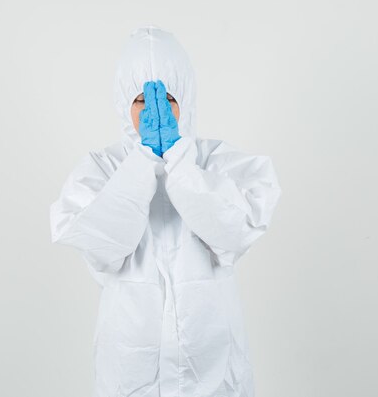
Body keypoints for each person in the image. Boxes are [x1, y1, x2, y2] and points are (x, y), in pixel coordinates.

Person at [49, 25, 282, 397]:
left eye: (168, 98)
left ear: (186, 101)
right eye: (141, 99)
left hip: (211, 366)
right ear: (123, 103)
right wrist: (143, 163)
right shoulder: (103, 168)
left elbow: (234, 234)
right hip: (130, 369)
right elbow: (103, 248)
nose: (155, 110)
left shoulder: (215, 161)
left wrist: (178, 163)